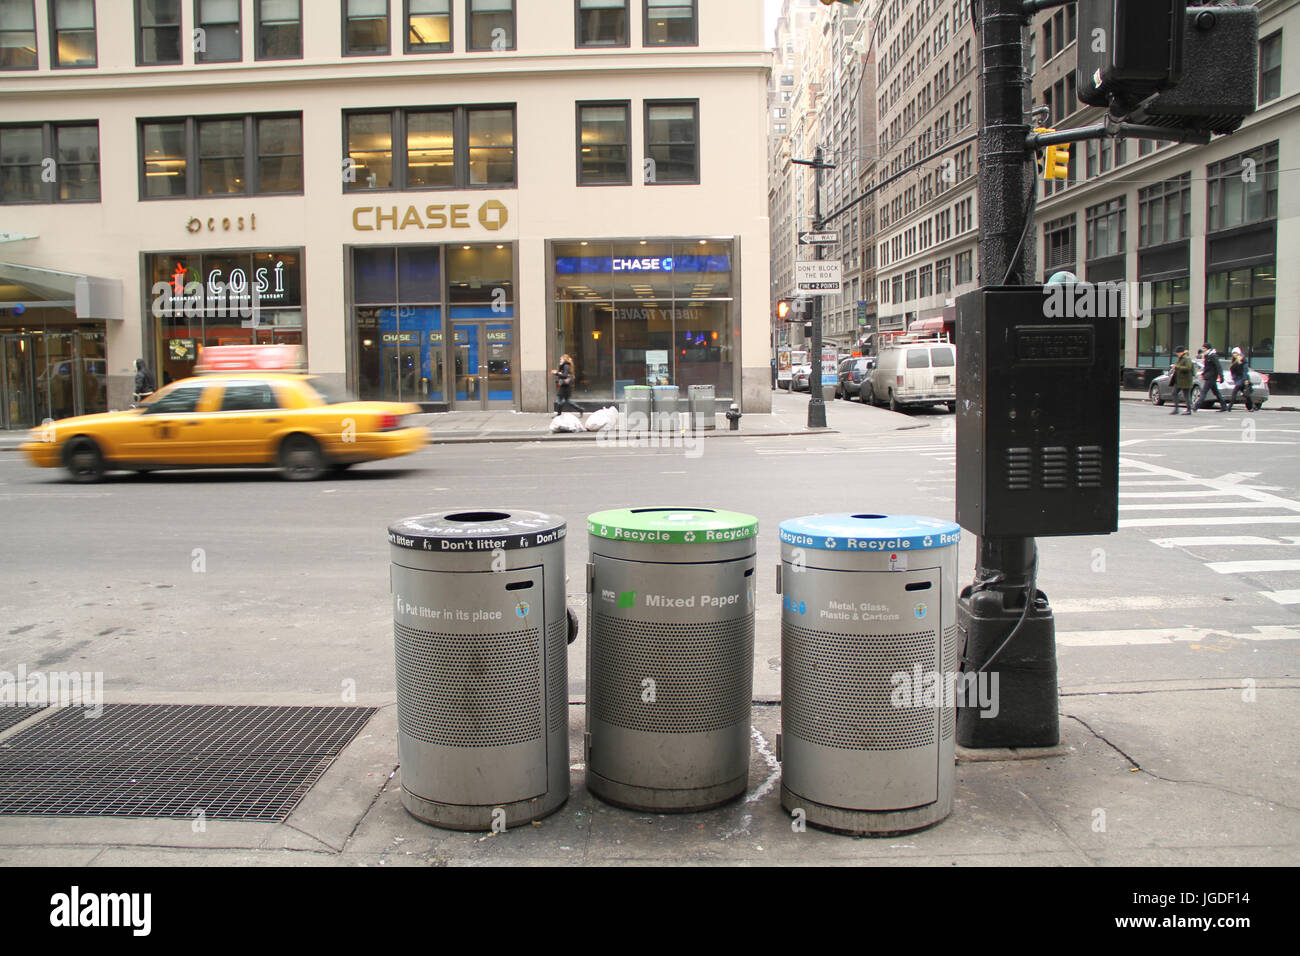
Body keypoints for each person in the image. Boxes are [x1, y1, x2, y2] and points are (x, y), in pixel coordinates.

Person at [1197, 342, 1225, 412]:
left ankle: (1196, 406)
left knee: (1204, 391)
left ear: (1207, 348)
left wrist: (1221, 376)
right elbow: (1207, 367)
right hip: (1209, 376)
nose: (1203, 349)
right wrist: (1203, 374)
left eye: (1204, 348)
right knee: (1216, 392)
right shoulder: (1207, 356)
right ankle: (1224, 406)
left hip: (1212, 377)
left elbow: (1218, 366)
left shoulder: (1213, 356)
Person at [1226, 347, 1254, 412]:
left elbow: (1245, 370)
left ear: (1238, 353)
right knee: (1244, 394)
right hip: (1238, 379)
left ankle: (1230, 407)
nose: (1234, 354)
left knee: (1240, 393)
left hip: (1243, 379)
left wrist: (1245, 380)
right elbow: (1232, 371)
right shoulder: (1233, 361)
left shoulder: (1243, 360)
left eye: (1235, 353)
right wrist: (1234, 378)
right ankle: (1251, 407)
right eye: (1233, 353)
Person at [1171, 346, 1194, 415]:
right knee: (1174, 393)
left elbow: (1188, 368)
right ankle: (1176, 409)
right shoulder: (1180, 359)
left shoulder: (1186, 359)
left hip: (1185, 380)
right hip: (1179, 380)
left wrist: (1176, 367)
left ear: (1181, 352)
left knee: (1186, 395)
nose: (1177, 354)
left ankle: (1189, 410)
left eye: (1178, 353)